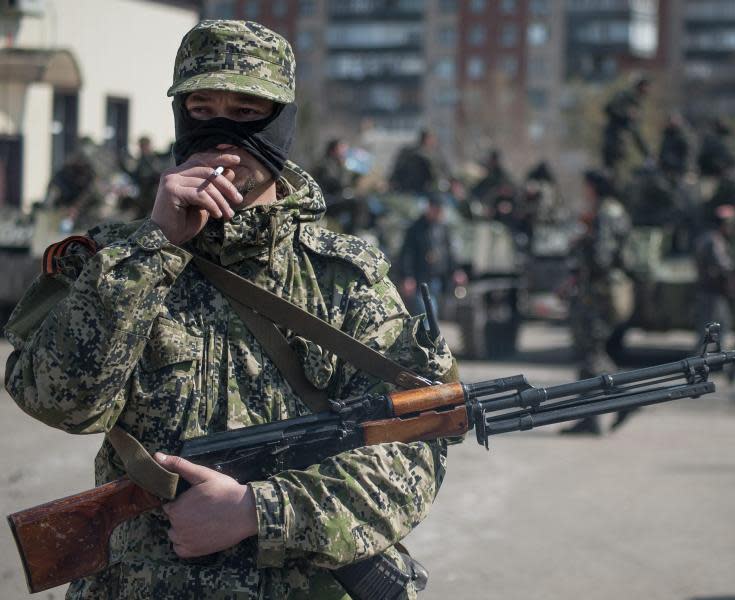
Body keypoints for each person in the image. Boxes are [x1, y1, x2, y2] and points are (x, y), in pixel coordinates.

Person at [4, 20, 456, 599]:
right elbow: (61, 402)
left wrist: (260, 512)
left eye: (246, 114)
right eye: (202, 107)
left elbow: (416, 449)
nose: (222, 135)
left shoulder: (344, 278)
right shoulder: (112, 262)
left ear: (281, 124)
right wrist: (154, 246)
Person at [561, 170, 634, 435]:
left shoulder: (605, 214)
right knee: (589, 354)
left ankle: (624, 396)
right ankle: (588, 417)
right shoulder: (617, 211)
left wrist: (584, 241)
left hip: (597, 294)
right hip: (606, 292)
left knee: (590, 353)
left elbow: (601, 257)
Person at [397, 194, 464, 325]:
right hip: (420, 279)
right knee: (428, 313)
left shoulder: (443, 229)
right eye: (437, 209)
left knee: (433, 313)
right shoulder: (415, 229)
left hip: (437, 280)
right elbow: (407, 254)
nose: (439, 212)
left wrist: (456, 270)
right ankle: (429, 342)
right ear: (429, 208)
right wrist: (407, 276)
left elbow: (449, 252)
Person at [694, 204, 735, 364]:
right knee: (711, 331)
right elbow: (723, 266)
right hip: (713, 293)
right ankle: (699, 364)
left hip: (711, 292)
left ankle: (716, 363)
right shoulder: (714, 241)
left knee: (716, 329)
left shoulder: (708, 238)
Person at [601, 75, 651, 177]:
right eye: (645, 86)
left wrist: (647, 154)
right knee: (615, 176)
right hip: (614, 142)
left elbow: (636, 132)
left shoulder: (637, 102)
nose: (648, 90)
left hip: (623, 145)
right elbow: (609, 108)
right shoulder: (625, 96)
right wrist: (626, 114)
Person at [388, 129, 447, 195]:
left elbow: (442, 173)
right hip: (414, 191)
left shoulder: (435, 155)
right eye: (431, 139)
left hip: (422, 190)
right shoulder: (412, 154)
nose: (434, 142)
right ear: (425, 139)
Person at [658, 112, 691, 179]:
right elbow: (662, 151)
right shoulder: (667, 135)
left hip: (677, 170)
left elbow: (687, 156)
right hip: (664, 169)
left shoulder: (683, 136)